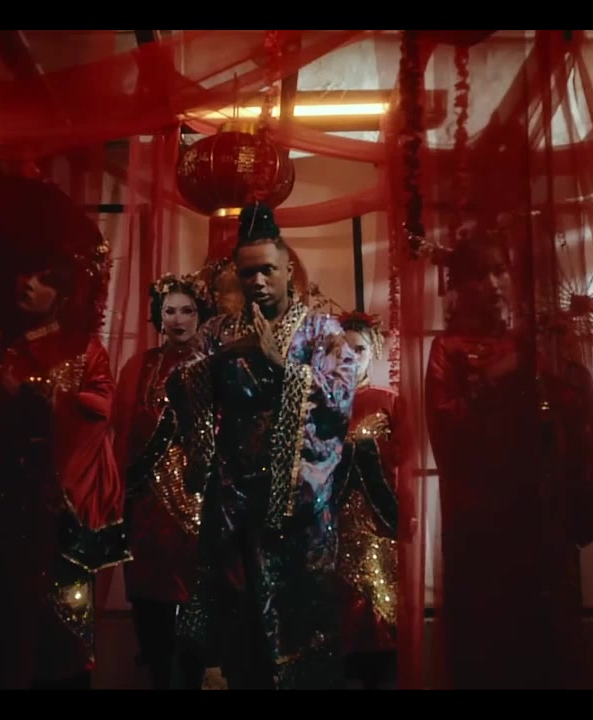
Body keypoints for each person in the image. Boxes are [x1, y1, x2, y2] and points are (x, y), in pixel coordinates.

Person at [170, 203, 358, 690]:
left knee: (302, 612)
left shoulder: (321, 331)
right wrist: (223, 360)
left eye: (267, 270)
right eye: (248, 272)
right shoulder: (219, 332)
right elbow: (178, 384)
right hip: (233, 498)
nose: (257, 281)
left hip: (298, 502)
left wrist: (281, 367)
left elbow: (340, 400)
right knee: (239, 614)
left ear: (288, 270)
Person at [424, 223, 593, 689]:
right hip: (480, 525)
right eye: (479, 275)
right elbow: (448, 434)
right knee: (487, 644)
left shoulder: (532, 342)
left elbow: (571, 419)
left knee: (544, 644)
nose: (492, 284)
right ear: (460, 286)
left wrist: (567, 365)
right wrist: (501, 374)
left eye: (499, 271)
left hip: (538, 518)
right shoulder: (447, 349)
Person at [0, 257, 128, 690]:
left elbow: (101, 411)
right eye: (23, 273)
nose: (28, 283)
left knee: (60, 633)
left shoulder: (84, 349)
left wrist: (43, 396)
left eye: (43, 278)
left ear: (64, 294)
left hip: (58, 511)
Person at [112, 272, 214, 689]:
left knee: (197, 598)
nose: (178, 319)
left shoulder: (213, 364)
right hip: (148, 499)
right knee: (148, 594)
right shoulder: (141, 366)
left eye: (187, 310)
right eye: (169, 311)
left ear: (200, 315)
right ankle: (156, 670)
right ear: (158, 315)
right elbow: (123, 430)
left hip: (199, 496)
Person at [331, 311, 409, 690]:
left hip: (381, 529)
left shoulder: (389, 402)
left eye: (359, 349)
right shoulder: (320, 403)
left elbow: (407, 462)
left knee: (384, 619)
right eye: (342, 350)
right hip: (334, 531)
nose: (351, 357)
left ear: (374, 351)